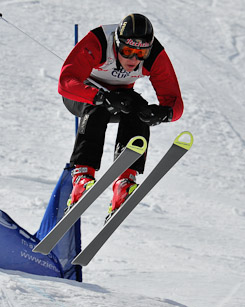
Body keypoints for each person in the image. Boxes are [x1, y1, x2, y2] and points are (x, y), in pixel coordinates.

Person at [58, 13, 184, 217]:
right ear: (116, 43)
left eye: (140, 53)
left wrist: (161, 113)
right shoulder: (99, 41)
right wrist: (100, 97)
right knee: (98, 109)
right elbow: (66, 82)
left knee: (139, 109)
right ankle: (82, 175)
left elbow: (175, 103)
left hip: (120, 98)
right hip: (82, 96)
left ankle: (124, 181)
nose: (133, 59)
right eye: (127, 51)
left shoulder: (155, 54)